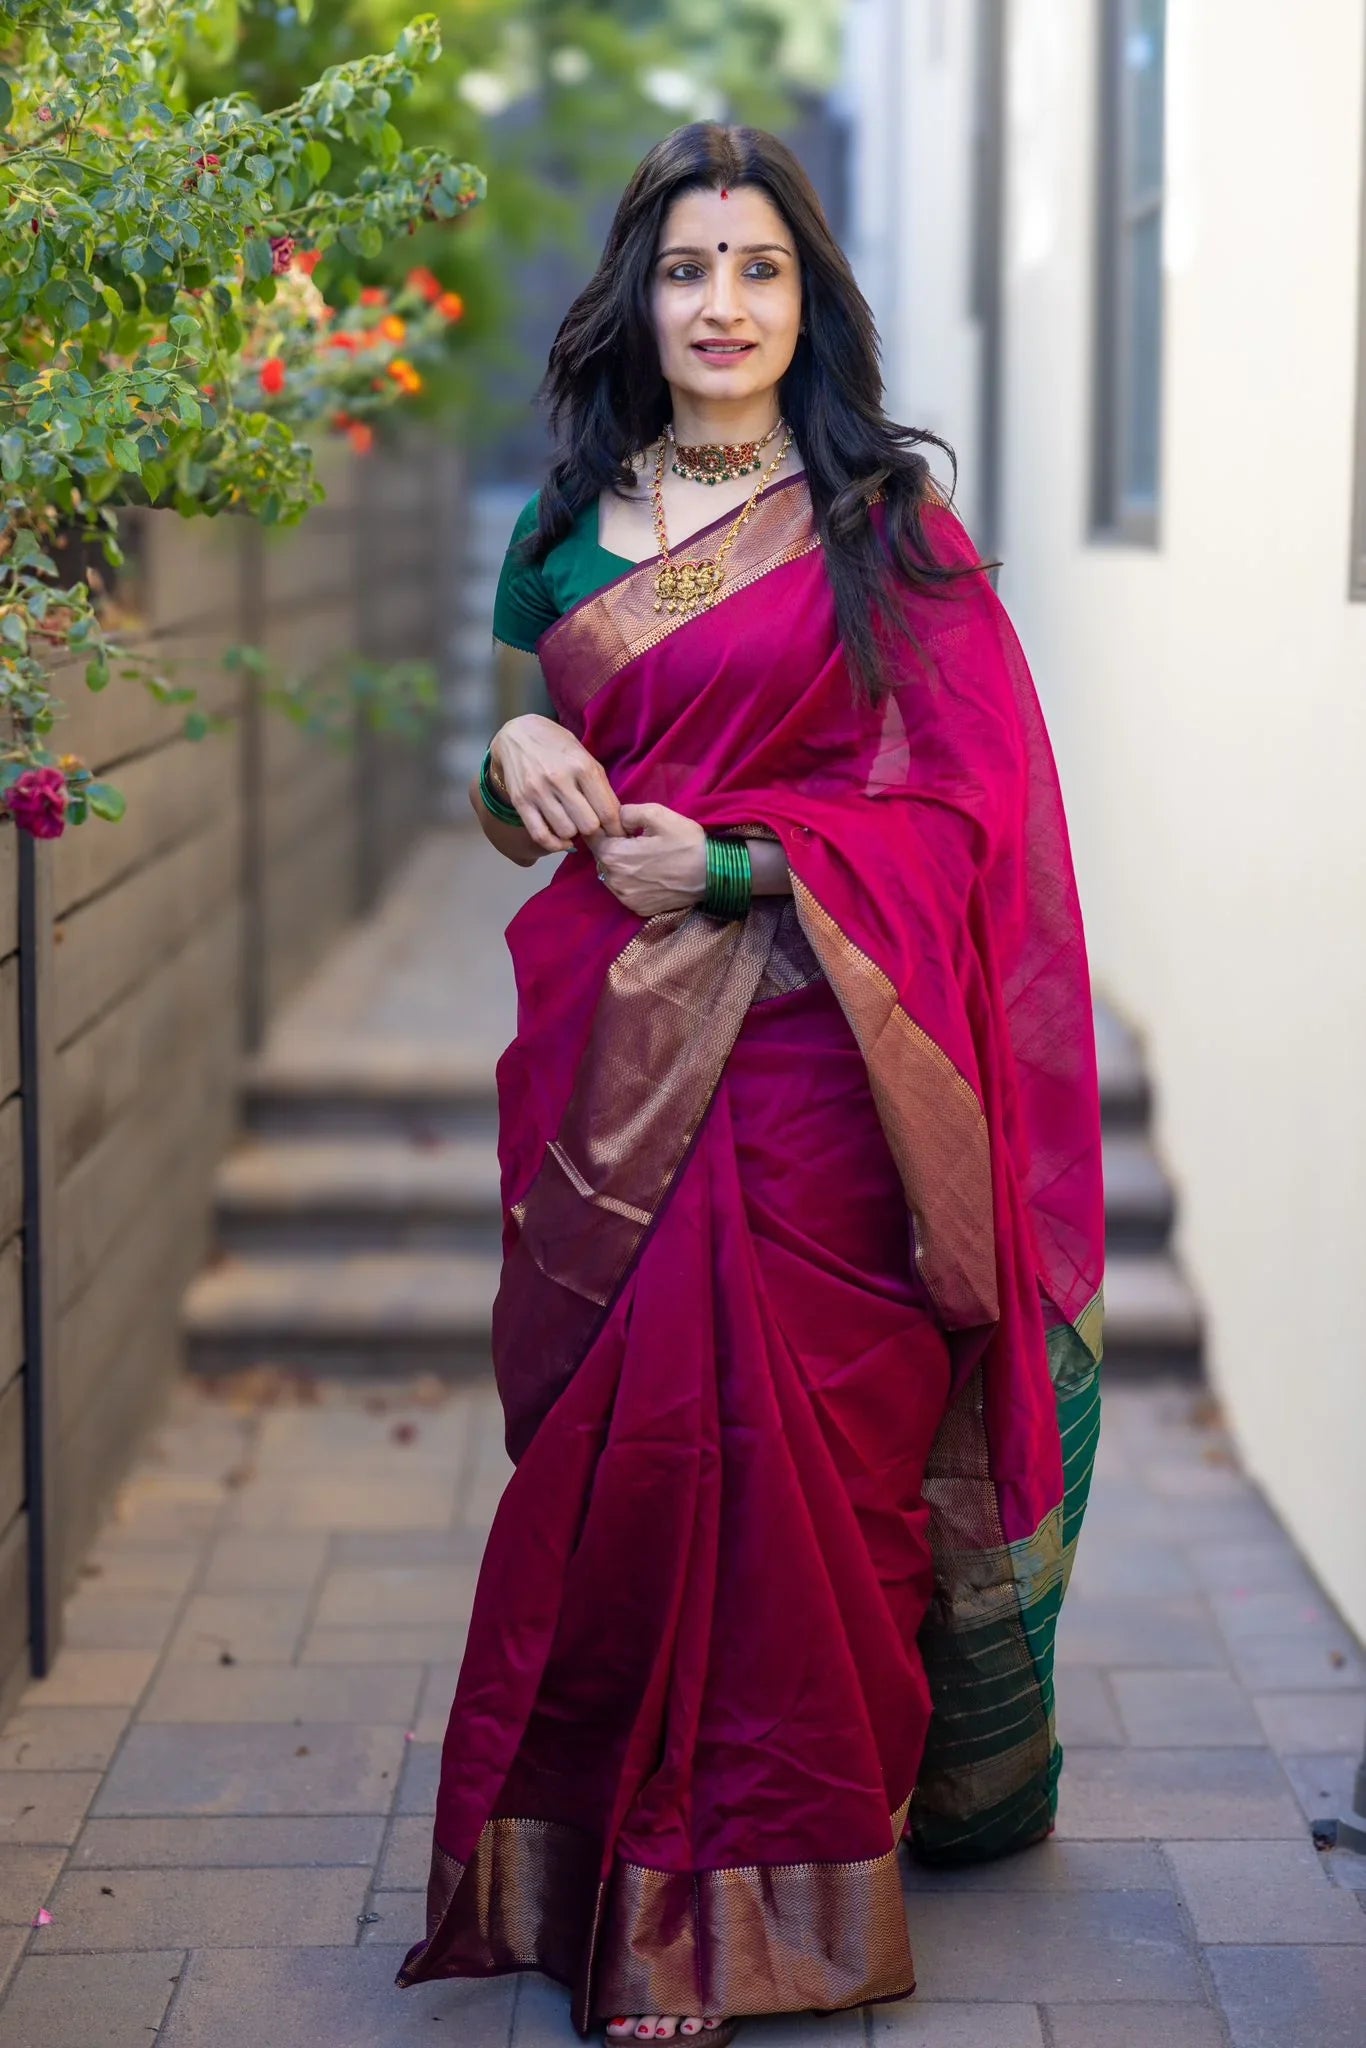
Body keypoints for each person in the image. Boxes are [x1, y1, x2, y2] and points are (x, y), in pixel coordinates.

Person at [397, 123, 1105, 2047]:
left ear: (810, 299)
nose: (721, 305)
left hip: (817, 1071)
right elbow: (513, 771)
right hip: (612, 1065)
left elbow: (965, 814)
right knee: (628, 1461)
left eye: (759, 269)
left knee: (796, 1466)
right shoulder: (561, 525)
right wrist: (515, 773)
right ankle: (620, 1872)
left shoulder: (886, 522)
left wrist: (732, 862)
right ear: (641, 293)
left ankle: (768, 1896)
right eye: (690, 268)